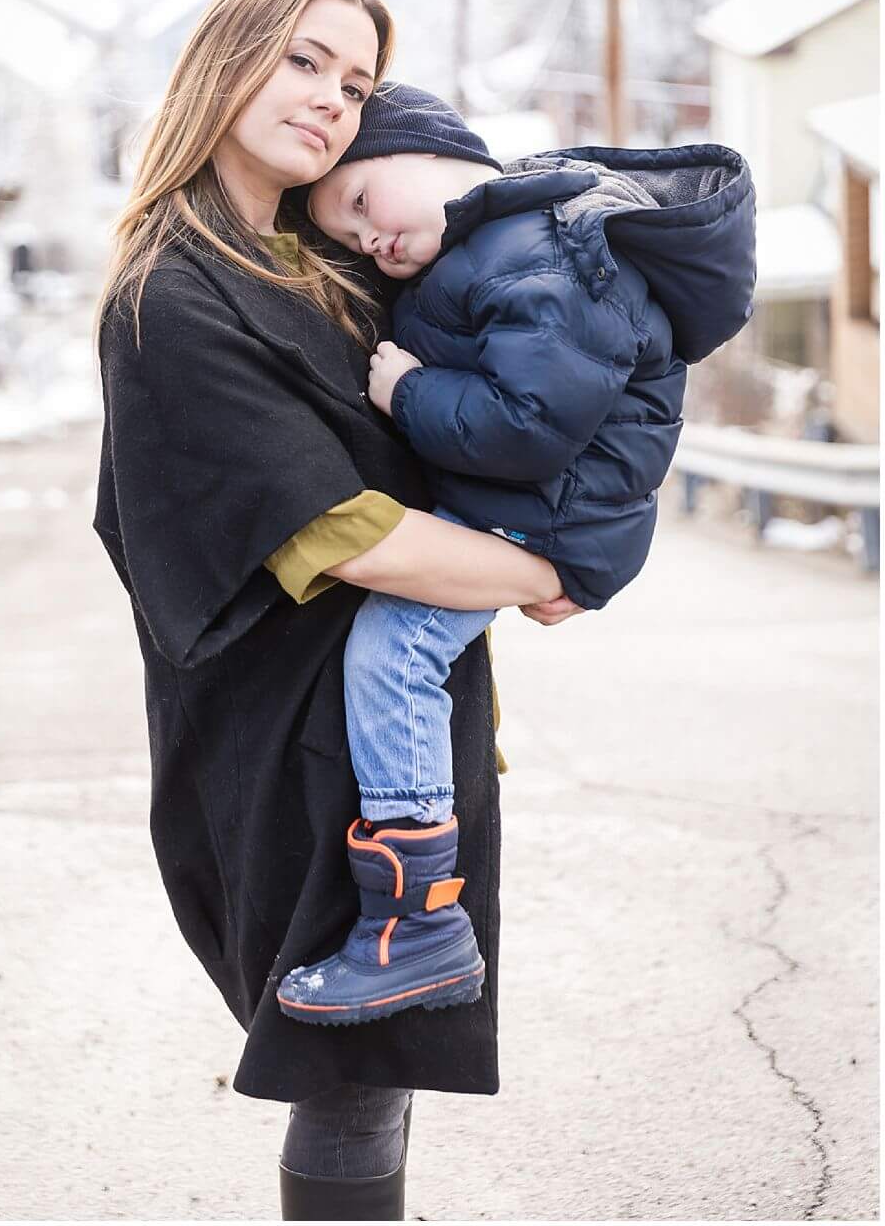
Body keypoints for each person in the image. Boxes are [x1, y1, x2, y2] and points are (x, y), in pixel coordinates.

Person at [92, 0, 574, 1220]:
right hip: (291, 738)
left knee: (386, 1061)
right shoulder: (174, 292)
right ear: (227, 56)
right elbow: (342, 535)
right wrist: (548, 568)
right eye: (302, 60)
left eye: (354, 81)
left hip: (401, 723)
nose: (328, 99)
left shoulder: (331, 256)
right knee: (351, 1066)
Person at [279, 87, 755, 1027]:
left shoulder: (545, 250)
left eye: (365, 204)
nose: (371, 241)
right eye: (351, 239)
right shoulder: (503, 242)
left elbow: (528, 426)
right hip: (536, 511)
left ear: (435, 150)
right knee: (398, 645)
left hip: (546, 514)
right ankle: (412, 913)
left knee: (395, 650)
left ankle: (415, 925)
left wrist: (408, 392)